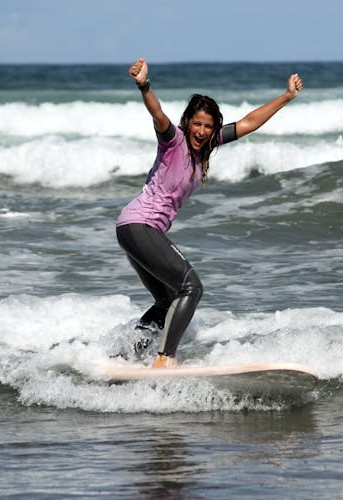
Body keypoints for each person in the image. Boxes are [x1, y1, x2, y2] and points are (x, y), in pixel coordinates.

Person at [117, 58, 303, 369]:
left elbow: (249, 122)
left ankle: (130, 355)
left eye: (208, 126)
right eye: (197, 124)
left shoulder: (207, 146)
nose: (202, 131)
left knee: (166, 301)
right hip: (139, 225)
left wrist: (286, 97)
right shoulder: (173, 140)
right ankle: (165, 358)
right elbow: (157, 114)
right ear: (187, 122)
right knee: (191, 287)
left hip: (135, 229)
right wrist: (144, 85)